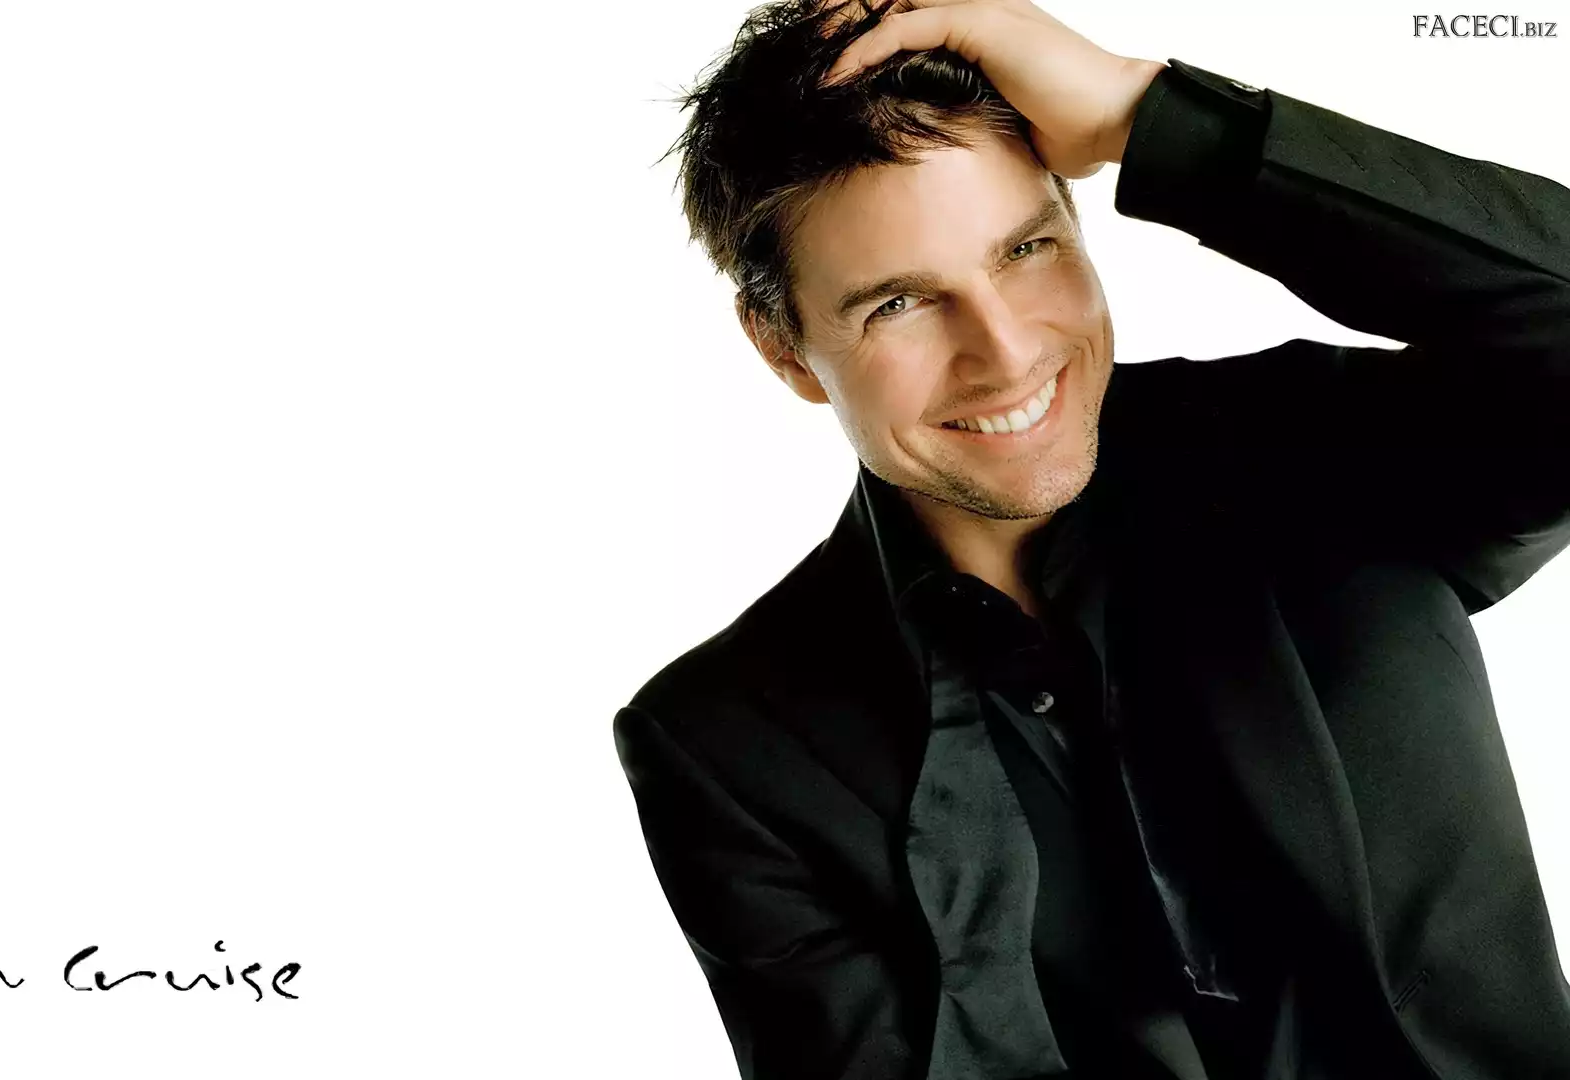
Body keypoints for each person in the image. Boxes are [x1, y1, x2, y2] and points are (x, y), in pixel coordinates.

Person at [610, 1, 1570, 1077]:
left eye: (1025, 249)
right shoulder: (729, 749)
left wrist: (1145, 115)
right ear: (785, 349)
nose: (1006, 352)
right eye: (900, 304)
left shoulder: (1321, 453)